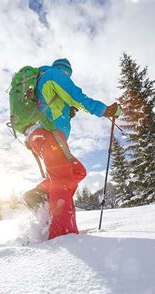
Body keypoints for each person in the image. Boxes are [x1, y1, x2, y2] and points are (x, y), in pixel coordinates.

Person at [22, 58, 121, 240]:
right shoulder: (54, 75)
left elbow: (47, 107)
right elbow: (78, 97)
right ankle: (63, 235)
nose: (68, 77)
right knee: (63, 179)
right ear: (66, 71)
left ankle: (39, 193)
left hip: (45, 136)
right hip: (48, 135)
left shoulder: (43, 80)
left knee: (77, 171)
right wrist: (104, 110)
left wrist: (67, 112)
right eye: (68, 74)